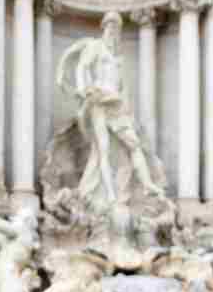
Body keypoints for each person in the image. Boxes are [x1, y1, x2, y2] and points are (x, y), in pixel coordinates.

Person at [58, 11, 163, 204]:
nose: (113, 30)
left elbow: (123, 87)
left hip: (116, 104)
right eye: (110, 26)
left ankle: (147, 184)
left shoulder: (118, 57)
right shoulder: (96, 47)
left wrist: (127, 108)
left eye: (116, 27)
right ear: (104, 27)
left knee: (134, 144)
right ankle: (110, 194)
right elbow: (82, 66)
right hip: (98, 100)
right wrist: (84, 90)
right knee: (102, 148)